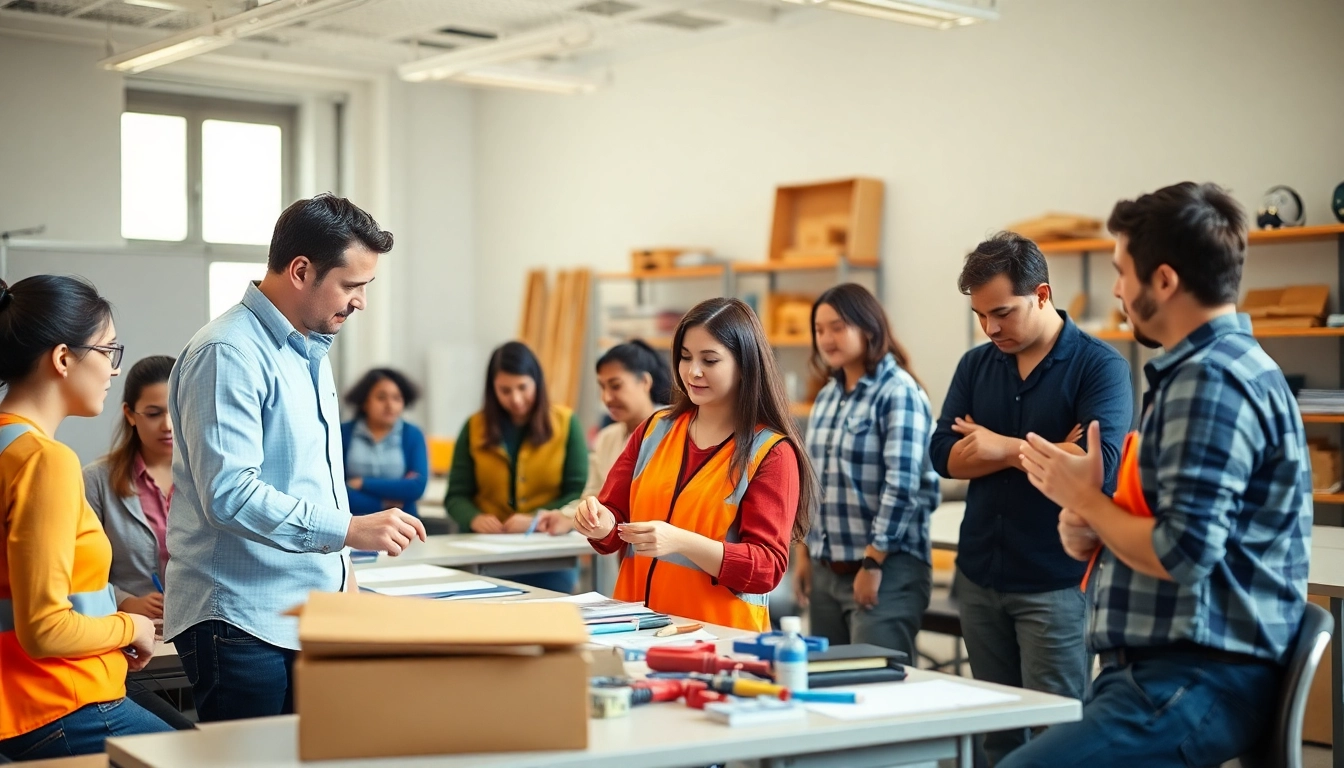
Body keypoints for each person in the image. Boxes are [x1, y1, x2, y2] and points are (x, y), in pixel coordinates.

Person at [1002, 183, 1312, 768]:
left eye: (1122, 271)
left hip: (1192, 678)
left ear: (1163, 281)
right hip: (1173, 674)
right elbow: (1177, 531)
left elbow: (1183, 553)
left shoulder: (1210, 381)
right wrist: (1092, 525)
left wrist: (1087, 501)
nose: (1116, 288)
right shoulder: (1215, 370)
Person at [165, 194, 426, 723]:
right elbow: (230, 496)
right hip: (241, 617)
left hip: (308, 609)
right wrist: (348, 530)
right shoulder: (228, 352)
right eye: (352, 286)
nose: (360, 303)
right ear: (301, 270)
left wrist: (341, 572)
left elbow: (311, 482)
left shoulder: (307, 349)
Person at [928, 232, 1133, 765]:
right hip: (979, 577)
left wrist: (998, 445)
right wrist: (1036, 452)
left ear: (1042, 294)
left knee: (1057, 739)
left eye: (1003, 312)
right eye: (980, 315)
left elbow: (1099, 466)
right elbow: (943, 454)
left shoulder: (1099, 366)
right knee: (996, 733)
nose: (990, 328)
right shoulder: (976, 364)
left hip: (1056, 584)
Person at [0, 275, 172, 761]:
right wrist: (130, 626)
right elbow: (46, 628)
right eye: (108, 352)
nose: (114, 370)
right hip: (59, 699)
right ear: (62, 359)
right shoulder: (44, 460)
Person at [573, 298, 816, 631]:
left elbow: (766, 568)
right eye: (685, 357)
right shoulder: (654, 430)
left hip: (719, 643)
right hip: (636, 630)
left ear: (744, 364)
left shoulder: (771, 453)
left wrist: (681, 542)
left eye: (710, 360)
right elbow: (614, 521)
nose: (692, 371)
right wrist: (599, 523)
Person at [793, 283, 941, 661]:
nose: (826, 338)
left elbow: (902, 486)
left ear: (869, 328)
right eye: (819, 329)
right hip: (828, 569)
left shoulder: (898, 392)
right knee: (828, 689)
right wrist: (805, 556)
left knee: (878, 688)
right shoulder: (827, 395)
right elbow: (814, 482)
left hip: (884, 569)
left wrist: (873, 562)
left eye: (838, 327)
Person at [444, 341, 587, 593]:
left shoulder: (566, 423)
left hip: (550, 554)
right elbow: (456, 496)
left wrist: (535, 520)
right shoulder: (474, 427)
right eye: (505, 390)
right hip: (486, 554)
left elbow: (578, 493)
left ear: (537, 383)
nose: (516, 399)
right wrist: (474, 518)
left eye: (522, 387)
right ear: (492, 389)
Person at [83, 355, 177, 620]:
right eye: (154, 413)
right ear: (130, 415)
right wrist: (123, 601)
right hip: (128, 631)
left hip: (199, 631)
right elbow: (76, 570)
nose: (167, 426)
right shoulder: (97, 480)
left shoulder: (207, 477)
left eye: (175, 409)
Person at [558, 339, 673, 522]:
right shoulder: (607, 438)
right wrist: (565, 517)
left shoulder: (675, 429)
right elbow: (594, 497)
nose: (607, 397)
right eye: (602, 387)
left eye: (616, 386)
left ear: (644, 381)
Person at [341, 368, 429, 518]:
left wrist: (362, 483)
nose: (390, 405)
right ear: (365, 402)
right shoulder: (343, 433)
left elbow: (416, 487)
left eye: (396, 398)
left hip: (402, 525)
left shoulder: (412, 435)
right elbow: (335, 491)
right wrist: (384, 504)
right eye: (381, 397)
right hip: (352, 525)